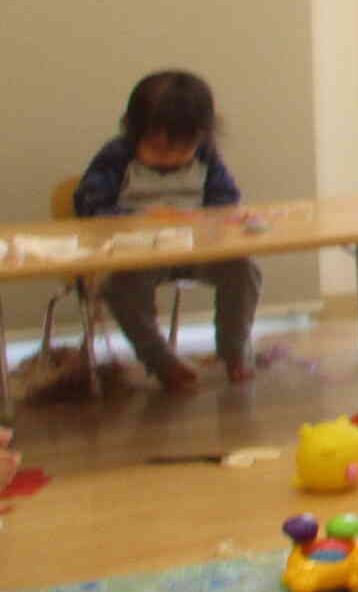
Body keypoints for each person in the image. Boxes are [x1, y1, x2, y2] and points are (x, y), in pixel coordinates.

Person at [74, 70, 262, 391]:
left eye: (181, 149)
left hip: (198, 249)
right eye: (159, 149)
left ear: (201, 136)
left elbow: (226, 200)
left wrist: (206, 219)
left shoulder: (206, 157)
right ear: (136, 132)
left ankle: (234, 352)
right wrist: (139, 218)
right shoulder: (117, 157)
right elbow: (89, 205)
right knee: (120, 289)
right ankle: (160, 361)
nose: (170, 158)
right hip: (139, 254)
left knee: (243, 270)